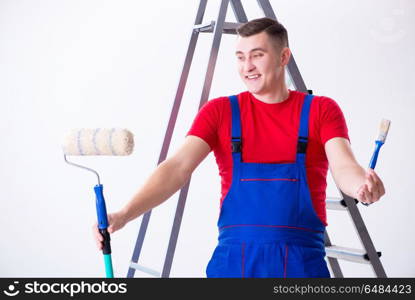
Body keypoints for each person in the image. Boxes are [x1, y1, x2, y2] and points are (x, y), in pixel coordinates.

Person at [92, 17, 385, 278]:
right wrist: (123, 214)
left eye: (257, 56)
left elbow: (344, 166)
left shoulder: (320, 110)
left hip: (302, 266)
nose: (247, 67)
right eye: (241, 57)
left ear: (283, 57)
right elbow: (177, 168)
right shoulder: (220, 112)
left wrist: (362, 186)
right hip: (233, 266)